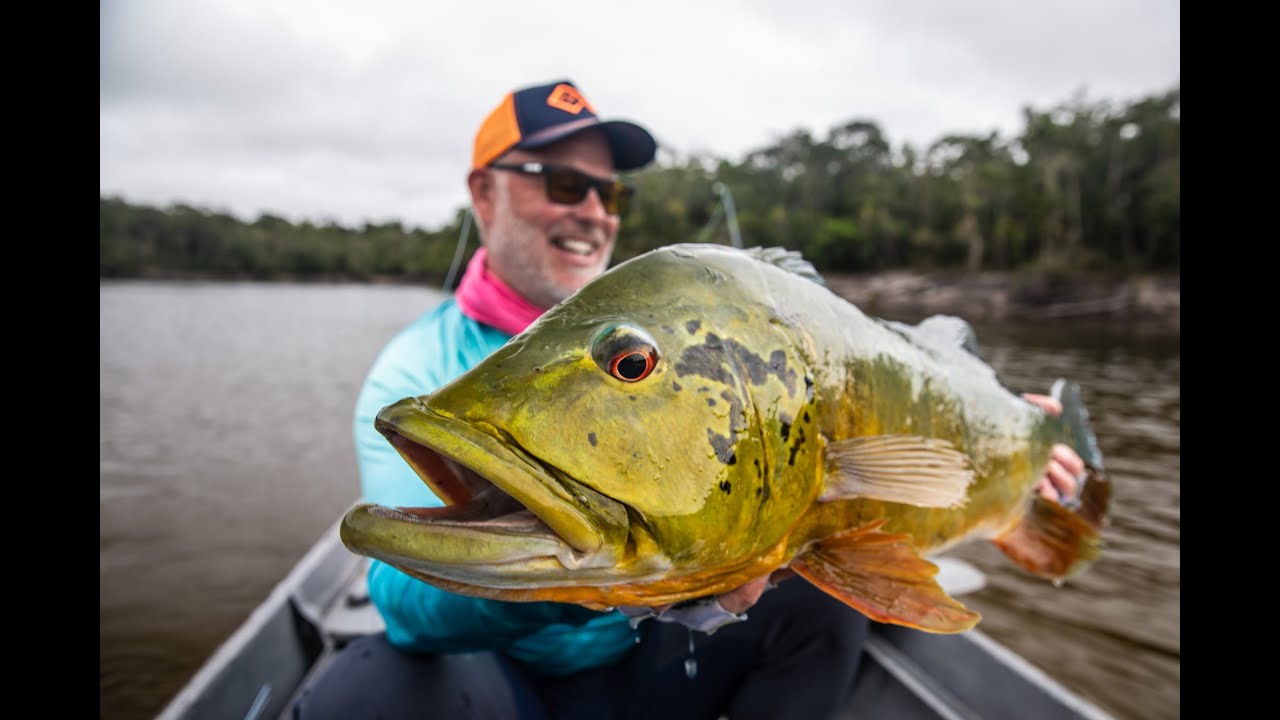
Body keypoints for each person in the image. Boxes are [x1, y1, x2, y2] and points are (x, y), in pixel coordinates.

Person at [292, 78, 1086, 720]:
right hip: (513, 683)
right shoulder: (414, 371)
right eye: (564, 183)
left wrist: (1004, 431)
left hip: (664, 669)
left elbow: (901, 391)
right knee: (358, 696)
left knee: (821, 602)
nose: (594, 212)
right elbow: (404, 605)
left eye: (611, 194)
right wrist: (614, 592)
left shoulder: (688, 309)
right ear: (484, 193)